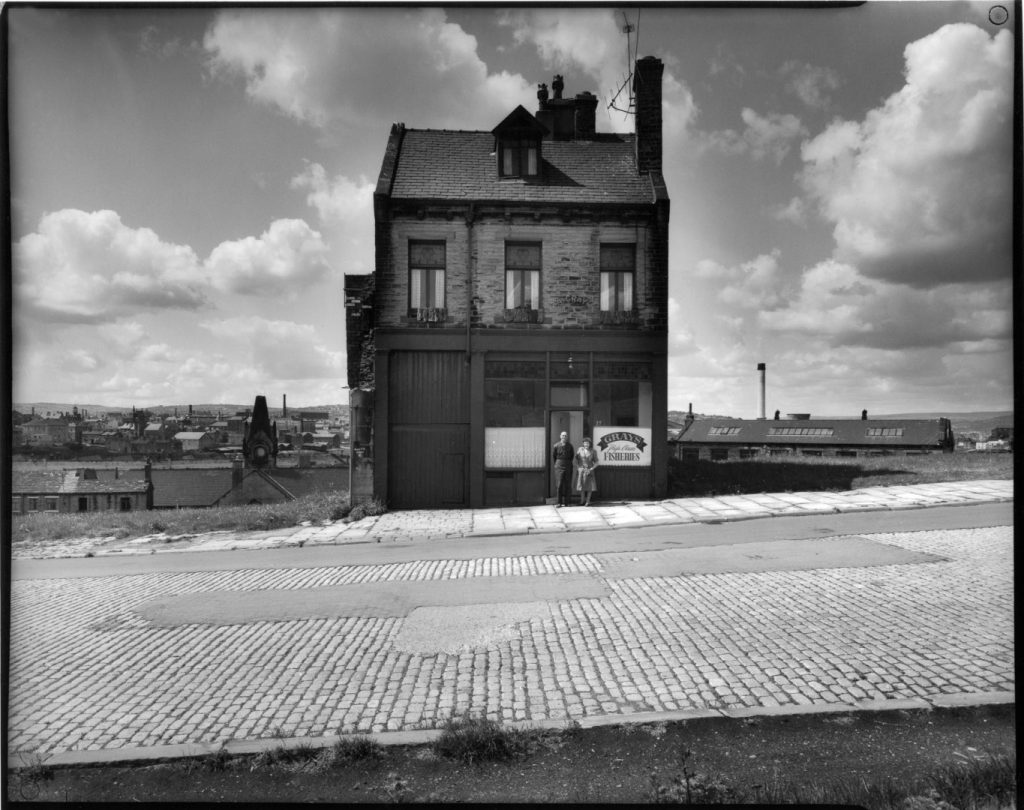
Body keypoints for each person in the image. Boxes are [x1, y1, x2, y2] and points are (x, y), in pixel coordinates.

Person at [551, 431, 575, 507]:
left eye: (565, 435)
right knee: (559, 484)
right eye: (563, 435)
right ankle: (559, 502)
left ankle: (568, 502)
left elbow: (572, 456)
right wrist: (557, 464)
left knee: (568, 484)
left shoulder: (570, 446)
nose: (564, 437)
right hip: (559, 465)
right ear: (560, 436)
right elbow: (554, 456)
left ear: (567, 437)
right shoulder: (556, 446)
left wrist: (567, 462)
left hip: (568, 465)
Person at [574, 437, 598, 506]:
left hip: (589, 470)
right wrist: (578, 467)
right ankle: (582, 501)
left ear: (590, 444)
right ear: (583, 444)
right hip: (581, 470)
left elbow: (596, 462)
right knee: (582, 486)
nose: (586, 444)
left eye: (587, 443)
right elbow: (576, 459)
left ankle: (588, 501)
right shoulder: (580, 450)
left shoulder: (593, 451)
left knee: (589, 486)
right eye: (585, 443)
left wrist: (592, 468)